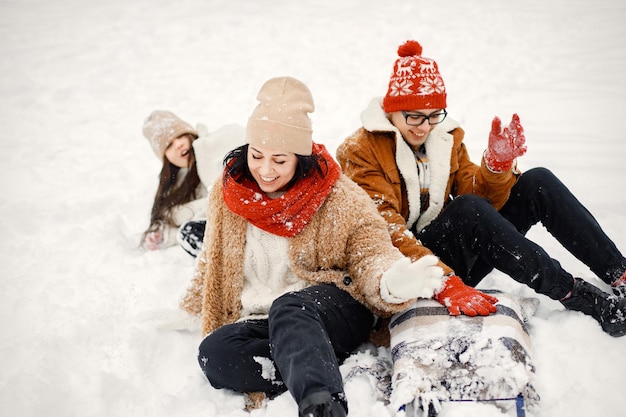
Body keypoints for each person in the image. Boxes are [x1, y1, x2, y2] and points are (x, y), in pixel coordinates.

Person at [179, 76, 460, 417]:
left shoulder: (337, 195)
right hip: (263, 323)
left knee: (289, 308)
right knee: (215, 353)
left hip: (329, 308)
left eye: (279, 161)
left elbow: (370, 250)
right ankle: (314, 361)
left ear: (300, 156)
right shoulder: (228, 194)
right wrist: (191, 305)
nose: (264, 170)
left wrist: (389, 281)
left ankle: (322, 405)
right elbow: (213, 259)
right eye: (257, 156)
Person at [336, 39, 626, 338]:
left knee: (538, 180)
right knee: (467, 211)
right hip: (409, 272)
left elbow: (480, 197)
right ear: (391, 111)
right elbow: (384, 230)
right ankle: (573, 294)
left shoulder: (444, 138)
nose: (424, 126)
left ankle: (618, 272)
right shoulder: (360, 150)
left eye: (434, 115)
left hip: (452, 252)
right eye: (414, 116)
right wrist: (443, 280)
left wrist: (495, 168)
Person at [141, 110, 243, 257]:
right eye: (169, 145)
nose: (178, 144)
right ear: (166, 159)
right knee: (189, 233)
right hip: (233, 232)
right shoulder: (185, 180)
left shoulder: (216, 143)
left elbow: (232, 198)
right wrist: (167, 235)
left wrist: (181, 212)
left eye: (180, 135)